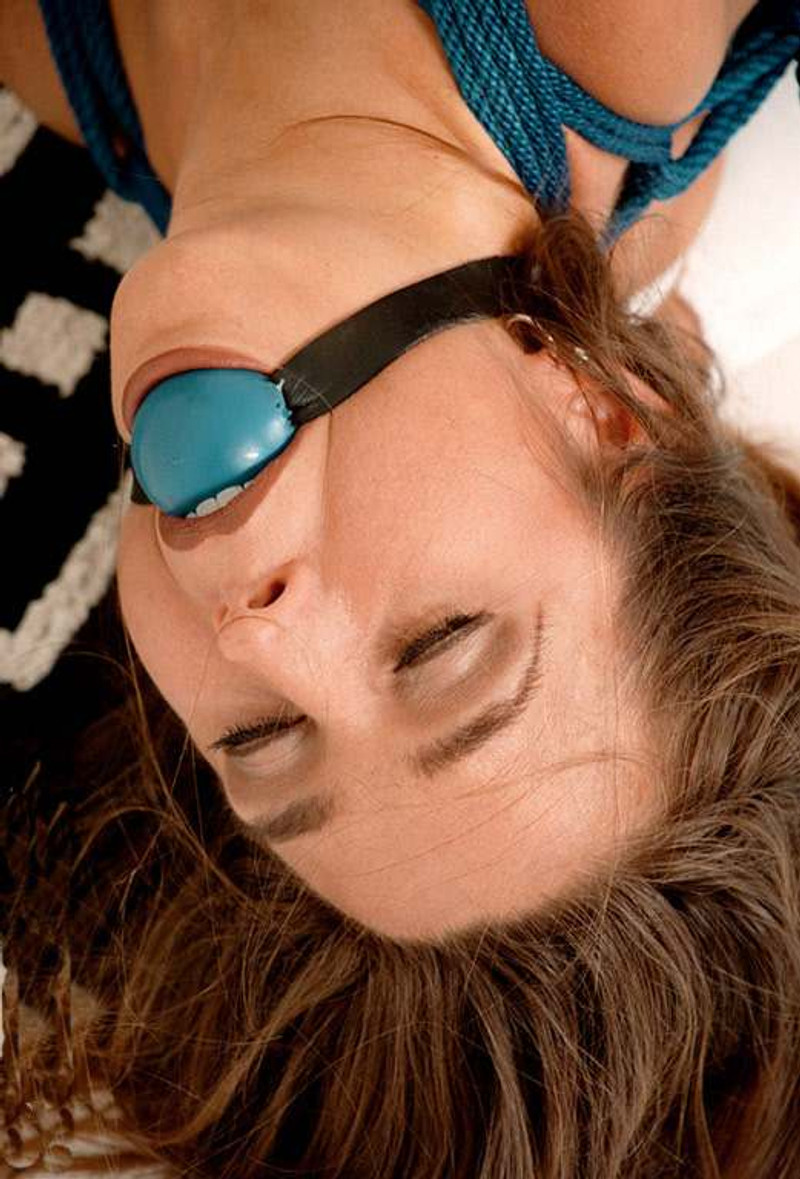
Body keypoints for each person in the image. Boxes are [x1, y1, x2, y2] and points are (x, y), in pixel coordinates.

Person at [2, 2, 800, 1175]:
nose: (260, 641)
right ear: (609, 412)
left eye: (259, 741)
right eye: (439, 646)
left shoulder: (73, 82)